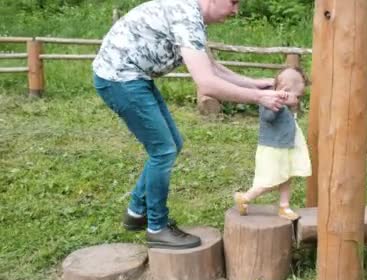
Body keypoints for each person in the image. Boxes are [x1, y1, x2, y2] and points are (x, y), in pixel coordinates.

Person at [92, 0, 288, 250]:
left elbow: (213, 68)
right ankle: (157, 228)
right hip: (120, 79)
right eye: (233, 2)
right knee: (163, 150)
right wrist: (259, 98)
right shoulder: (186, 17)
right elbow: (207, 83)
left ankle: (136, 212)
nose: (235, 11)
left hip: (133, 77)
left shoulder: (191, 16)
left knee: (172, 144)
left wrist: (252, 84)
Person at [234, 67, 311, 221]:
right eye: (297, 96)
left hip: (285, 147)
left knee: (287, 176)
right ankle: (245, 197)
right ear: (285, 90)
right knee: (271, 179)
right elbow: (268, 117)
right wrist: (278, 103)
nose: (297, 100)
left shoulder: (284, 104)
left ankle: (284, 206)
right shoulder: (268, 99)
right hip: (273, 148)